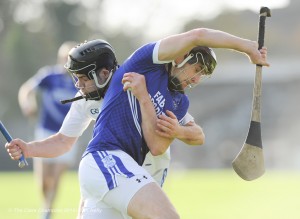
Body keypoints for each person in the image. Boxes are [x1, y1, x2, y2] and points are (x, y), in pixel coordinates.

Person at [8, 28, 269, 218]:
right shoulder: (144, 63)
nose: (197, 79)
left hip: (127, 172)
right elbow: (64, 140)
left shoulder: (178, 102)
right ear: (181, 57)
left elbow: (165, 143)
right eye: (196, 70)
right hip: (107, 160)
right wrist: (247, 47)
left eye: (203, 75)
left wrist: (153, 106)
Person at [18, 41, 78, 219]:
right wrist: (28, 104)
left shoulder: (80, 81)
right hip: (45, 131)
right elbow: (26, 89)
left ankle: (47, 211)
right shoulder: (49, 76)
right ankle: (47, 206)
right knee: (44, 181)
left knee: (55, 177)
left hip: (68, 134)